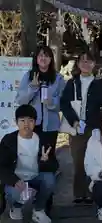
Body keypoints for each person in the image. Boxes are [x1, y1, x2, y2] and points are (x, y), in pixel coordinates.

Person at [60, 51, 102, 204]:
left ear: (94, 64)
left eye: (89, 61)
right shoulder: (72, 83)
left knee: (94, 160)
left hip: (93, 127)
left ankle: (91, 191)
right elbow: (64, 104)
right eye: (82, 61)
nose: (85, 64)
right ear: (78, 64)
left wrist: (100, 125)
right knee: (78, 161)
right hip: (76, 128)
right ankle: (79, 193)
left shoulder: (98, 83)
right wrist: (74, 121)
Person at [0, 105, 56, 223]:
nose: (26, 124)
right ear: (16, 122)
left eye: (30, 120)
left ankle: (39, 209)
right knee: (12, 193)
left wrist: (44, 161)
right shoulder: (8, 140)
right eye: (22, 120)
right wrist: (14, 180)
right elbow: (1, 166)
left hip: (36, 177)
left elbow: (55, 165)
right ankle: (16, 207)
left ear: (35, 122)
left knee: (50, 179)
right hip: (17, 179)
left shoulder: (43, 139)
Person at [15, 45, 65, 176]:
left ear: (51, 59)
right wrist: (32, 88)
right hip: (31, 125)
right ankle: (32, 187)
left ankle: (48, 188)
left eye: (47, 56)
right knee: (32, 156)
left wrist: (51, 102)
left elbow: (63, 103)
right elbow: (20, 101)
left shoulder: (58, 78)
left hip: (50, 126)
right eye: (40, 55)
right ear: (36, 59)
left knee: (48, 156)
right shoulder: (28, 76)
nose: (43, 58)